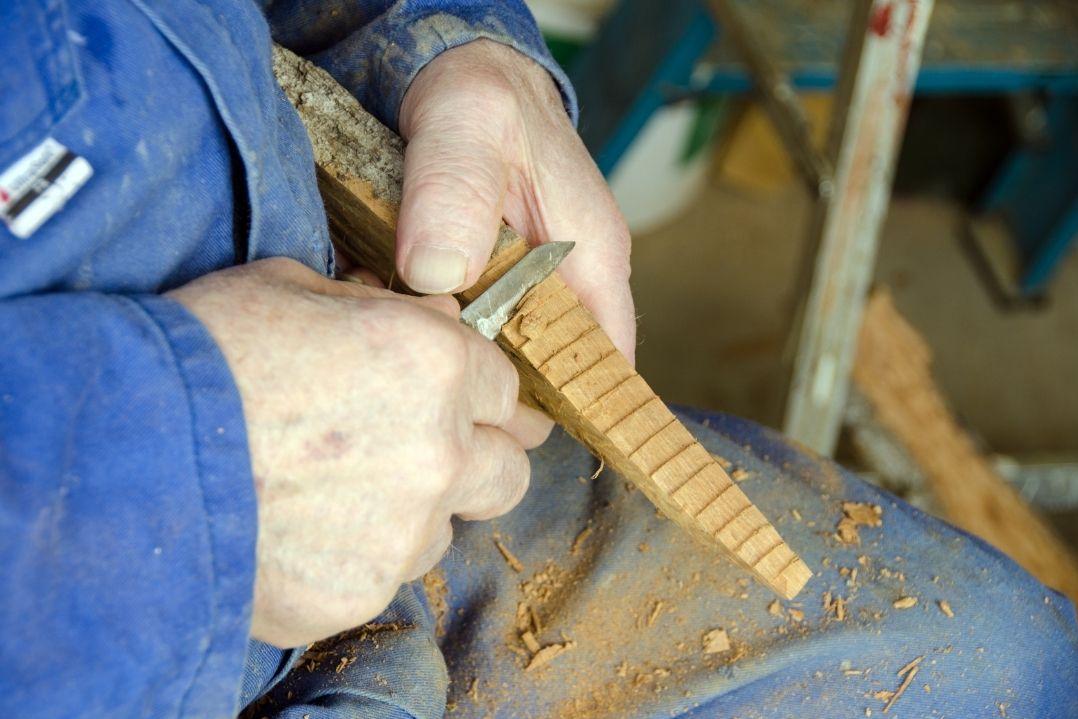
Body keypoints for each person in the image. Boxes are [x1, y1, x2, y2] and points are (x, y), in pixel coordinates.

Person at [1, 2, 1074, 717]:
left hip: (375, 417)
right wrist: (161, 485)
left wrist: (444, 47)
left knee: (1006, 665)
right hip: (119, 635)